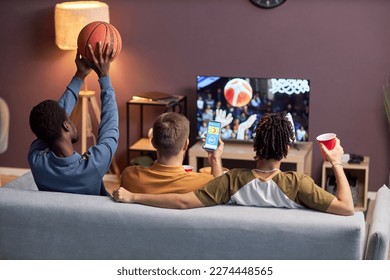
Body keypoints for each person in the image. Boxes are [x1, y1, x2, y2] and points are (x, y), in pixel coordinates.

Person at [113, 112, 354, 216]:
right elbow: (347, 208)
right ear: (287, 150)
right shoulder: (300, 184)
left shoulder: (231, 180)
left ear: (254, 147)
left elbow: (184, 201)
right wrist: (336, 163)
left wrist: (134, 197)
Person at [28, 42, 118, 196]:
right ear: (66, 125)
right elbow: (110, 125)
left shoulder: (36, 160)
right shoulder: (94, 166)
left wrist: (81, 75)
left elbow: (53, 120)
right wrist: (103, 76)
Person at [118, 112, 224, 194]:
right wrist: (215, 158)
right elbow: (220, 191)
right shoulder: (203, 183)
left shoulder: (129, 175)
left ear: (153, 142)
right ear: (186, 144)